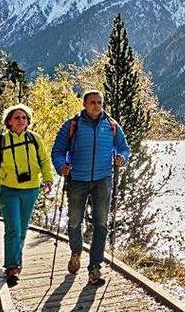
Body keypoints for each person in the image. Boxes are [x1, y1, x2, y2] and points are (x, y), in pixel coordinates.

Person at [52, 90, 130, 286]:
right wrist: (61, 166)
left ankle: (95, 267)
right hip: (77, 179)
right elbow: (58, 151)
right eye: (93, 102)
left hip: (103, 179)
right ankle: (76, 251)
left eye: (100, 102)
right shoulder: (73, 125)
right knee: (73, 222)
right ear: (84, 104)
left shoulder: (111, 125)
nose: (97, 105)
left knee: (101, 224)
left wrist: (122, 157)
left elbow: (124, 147)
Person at [0, 104, 54, 286]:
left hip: (31, 190)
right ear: (9, 122)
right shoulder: (1, 141)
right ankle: (13, 268)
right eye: (17, 117)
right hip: (7, 190)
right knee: (13, 229)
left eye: (24, 118)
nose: (21, 120)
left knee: (22, 229)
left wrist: (48, 179)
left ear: (28, 121)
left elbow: (44, 160)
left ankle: (15, 263)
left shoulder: (35, 139)